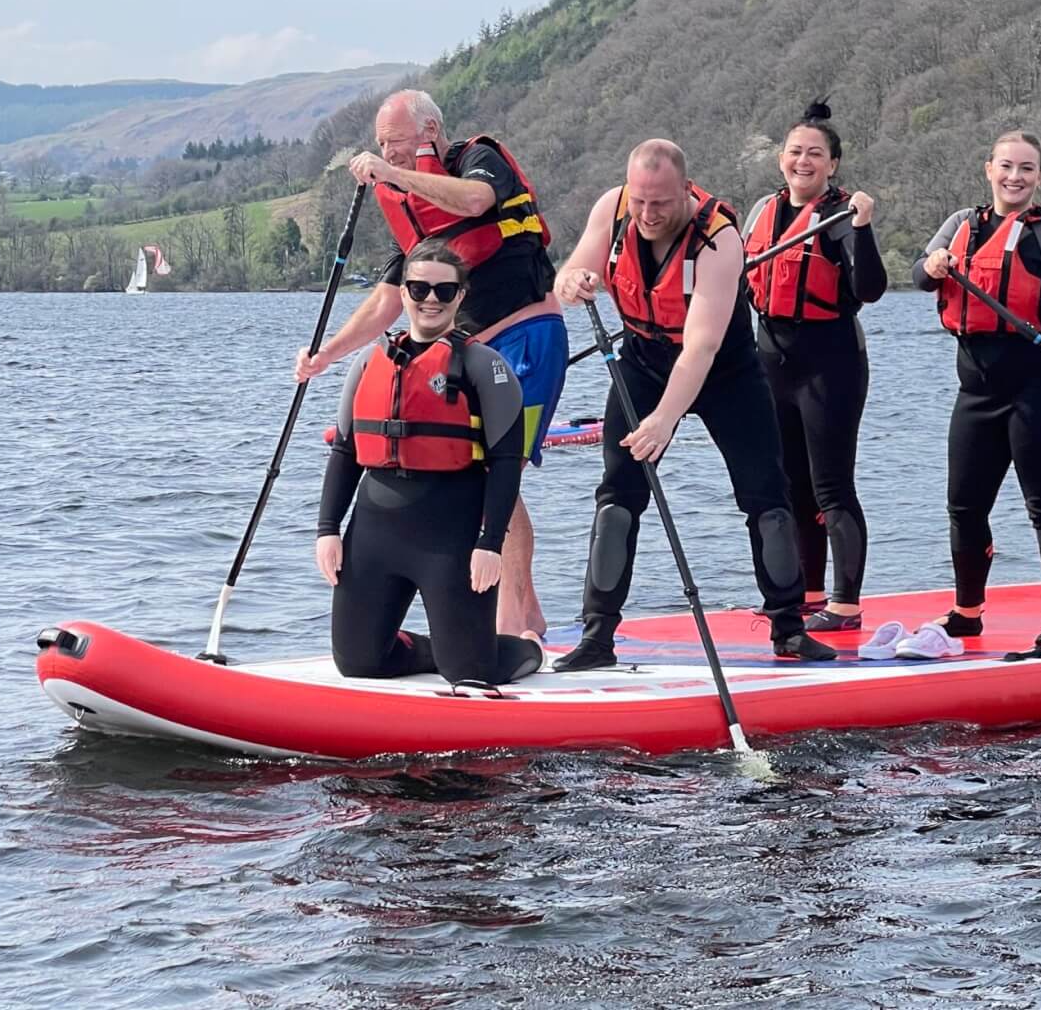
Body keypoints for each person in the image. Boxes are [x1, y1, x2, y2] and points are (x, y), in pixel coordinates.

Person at [551, 138, 835, 669]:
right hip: (642, 360)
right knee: (617, 496)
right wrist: (573, 280)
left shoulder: (718, 239)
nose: (647, 214)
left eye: (660, 202)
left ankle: (789, 629)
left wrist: (663, 419)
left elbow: (701, 346)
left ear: (685, 190)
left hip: (724, 371)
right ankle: (597, 636)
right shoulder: (613, 209)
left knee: (766, 495)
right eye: (640, 201)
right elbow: (572, 270)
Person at [295, 89, 565, 640]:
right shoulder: (411, 209)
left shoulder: (476, 160)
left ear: (430, 133)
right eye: (381, 146)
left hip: (527, 338)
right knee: (467, 470)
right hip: (470, 353)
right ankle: (521, 612)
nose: (387, 154)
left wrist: (396, 175)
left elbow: (473, 203)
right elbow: (388, 300)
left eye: (395, 143)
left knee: (496, 469)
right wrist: (326, 355)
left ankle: (514, 621)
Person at [915, 130, 1041, 649]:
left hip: (1040, 390)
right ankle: (967, 612)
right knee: (963, 506)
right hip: (976, 392)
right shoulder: (961, 225)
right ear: (989, 170)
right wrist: (932, 265)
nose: (1015, 177)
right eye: (1006, 166)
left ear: (1039, 178)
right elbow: (920, 275)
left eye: (1026, 169)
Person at [314, 242, 545, 685]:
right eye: (419, 288)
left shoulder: (484, 368)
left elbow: (504, 464)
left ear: (461, 296)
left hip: (450, 538)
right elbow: (345, 453)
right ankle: (434, 648)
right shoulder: (369, 362)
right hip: (374, 532)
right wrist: (327, 531)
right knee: (359, 663)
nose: (431, 300)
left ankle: (526, 648)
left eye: (444, 290)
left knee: (471, 673)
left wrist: (491, 543)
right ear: (403, 294)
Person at [741, 101, 886, 632]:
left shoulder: (841, 215)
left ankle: (845, 605)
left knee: (831, 485)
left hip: (832, 362)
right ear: (782, 158)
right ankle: (806, 592)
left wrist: (866, 229)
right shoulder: (762, 211)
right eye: (795, 152)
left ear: (833, 165)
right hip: (771, 360)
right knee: (788, 484)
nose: (803, 161)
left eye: (815, 154)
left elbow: (869, 288)